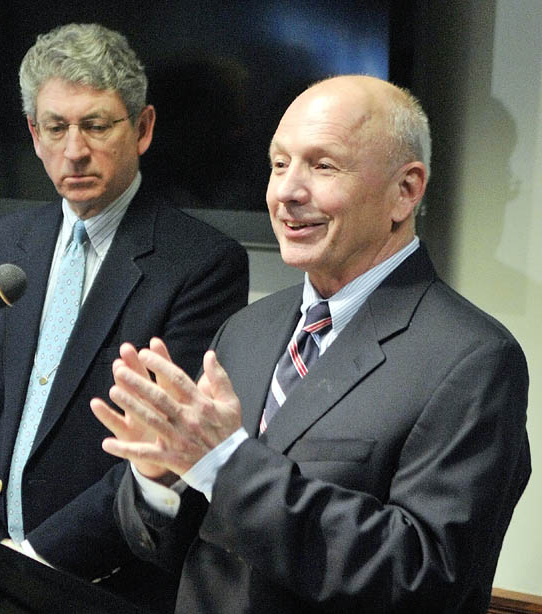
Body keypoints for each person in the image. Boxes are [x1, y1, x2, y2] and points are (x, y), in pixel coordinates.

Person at [91, 75, 531, 613]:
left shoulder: (474, 359)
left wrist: (225, 465)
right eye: (279, 165)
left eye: (323, 166)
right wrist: (160, 475)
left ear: (406, 190)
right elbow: (177, 547)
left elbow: (425, 576)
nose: (287, 192)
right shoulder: (246, 331)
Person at [0, 22, 249, 611]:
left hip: (101, 584)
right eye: (56, 128)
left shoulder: (201, 263)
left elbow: (162, 449)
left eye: (96, 125)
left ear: (142, 128)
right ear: (34, 133)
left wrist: (35, 560)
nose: (74, 149)